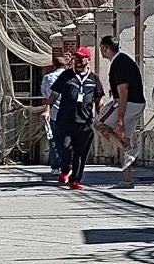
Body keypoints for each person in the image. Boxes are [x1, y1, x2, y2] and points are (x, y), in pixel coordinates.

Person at [49, 45, 103, 189]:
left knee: (81, 153)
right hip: (65, 121)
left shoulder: (94, 79)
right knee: (65, 148)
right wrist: (47, 110)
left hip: (85, 123)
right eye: (76, 57)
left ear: (88, 59)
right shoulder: (66, 75)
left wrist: (101, 118)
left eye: (81, 57)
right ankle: (65, 169)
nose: (78, 60)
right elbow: (54, 94)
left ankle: (75, 180)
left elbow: (98, 100)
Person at [97, 35, 145, 186]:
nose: (101, 52)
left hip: (128, 103)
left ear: (105, 47)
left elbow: (123, 91)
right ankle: (127, 179)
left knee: (99, 124)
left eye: (101, 49)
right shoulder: (123, 60)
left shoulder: (119, 63)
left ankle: (129, 148)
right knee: (124, 136)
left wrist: (120, 117)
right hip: (136, 103)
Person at [43, 46, 72, 180]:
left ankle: (55, 166)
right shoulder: (71, 77)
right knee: (68, 140)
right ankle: (67, 165)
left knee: (54, 140)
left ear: (54, 65)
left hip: (53, 112)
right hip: (69, 112)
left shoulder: (48, 78)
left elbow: (45, 93)